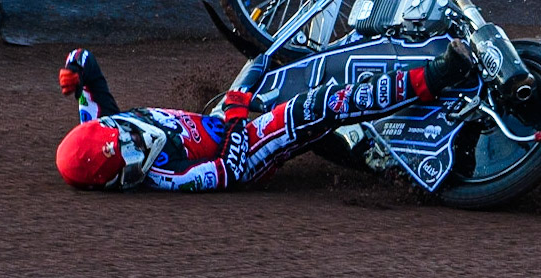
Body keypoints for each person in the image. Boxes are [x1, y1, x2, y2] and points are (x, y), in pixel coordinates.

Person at [55, 42, 474, 191]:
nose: (140, 151)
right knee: (317, 106)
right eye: (130, 164)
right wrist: (239, 118)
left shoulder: (96, 126)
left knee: (265, 60)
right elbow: (230, 171)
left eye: (131, 140)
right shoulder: (167, 178)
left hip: (220, 119)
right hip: (244, 150)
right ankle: (435, 76)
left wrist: (74, 69)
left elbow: (87, 65)